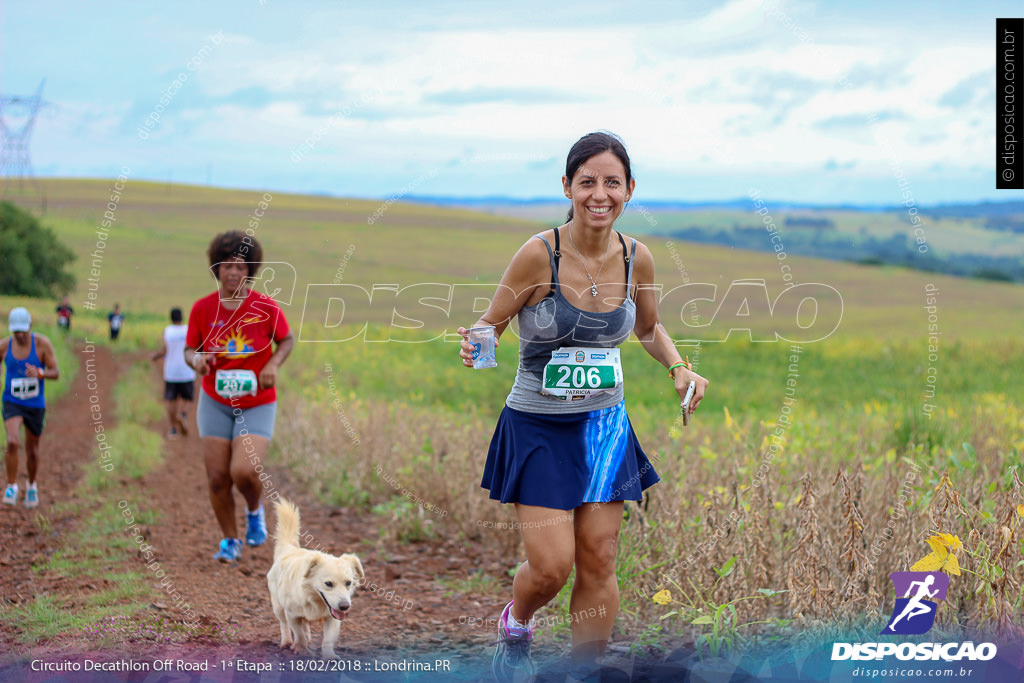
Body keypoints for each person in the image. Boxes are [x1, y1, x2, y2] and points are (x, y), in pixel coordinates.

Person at [458, 132, 709, 680]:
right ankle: (516, 622)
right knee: (551, 569)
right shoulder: (538, 253)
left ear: (630, 190)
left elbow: (648, 327)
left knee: (599, 560)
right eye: (588, 182)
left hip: (604, 429)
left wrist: (678, 366)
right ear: (568, 187)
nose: (600, 194)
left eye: (612, 183)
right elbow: (492, 325)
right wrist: (477, 342)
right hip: (539, 427)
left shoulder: (636, 255)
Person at [185, 231, 294, 563]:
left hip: (257, 401)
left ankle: (254, 509)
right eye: (227, 265)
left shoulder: (265, 306)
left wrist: (273, 363)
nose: (234, 272)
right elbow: (190, 348)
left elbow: (286, 341)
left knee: (244, 471)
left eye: (241, 266)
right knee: (217, 476)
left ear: (250, 270)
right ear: (216, 268)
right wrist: (197, 361)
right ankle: (230, 541)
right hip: (215, 400)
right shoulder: (203, 309)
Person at [2, 308, 60, 508]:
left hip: (34, 404)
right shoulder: (4, 346)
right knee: (12, 442)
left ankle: (32, 485)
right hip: (12, 401)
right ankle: (11, 486)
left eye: (22, 331)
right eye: (15, 331)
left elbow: (56, 372)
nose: (19, 335)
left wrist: (40, 373)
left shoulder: (42, 345)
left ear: (30, 327)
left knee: (33, 450)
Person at [151, 307, 195, 438]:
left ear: (171, 318)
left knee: (172, 401)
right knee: (189, 398)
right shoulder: (188, 330)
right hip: (186, 370)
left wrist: (156, 356)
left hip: (171, 371)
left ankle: (173, 429)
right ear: (182, 317)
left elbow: (164, 351)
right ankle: (183, 414)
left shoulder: (168, 331)